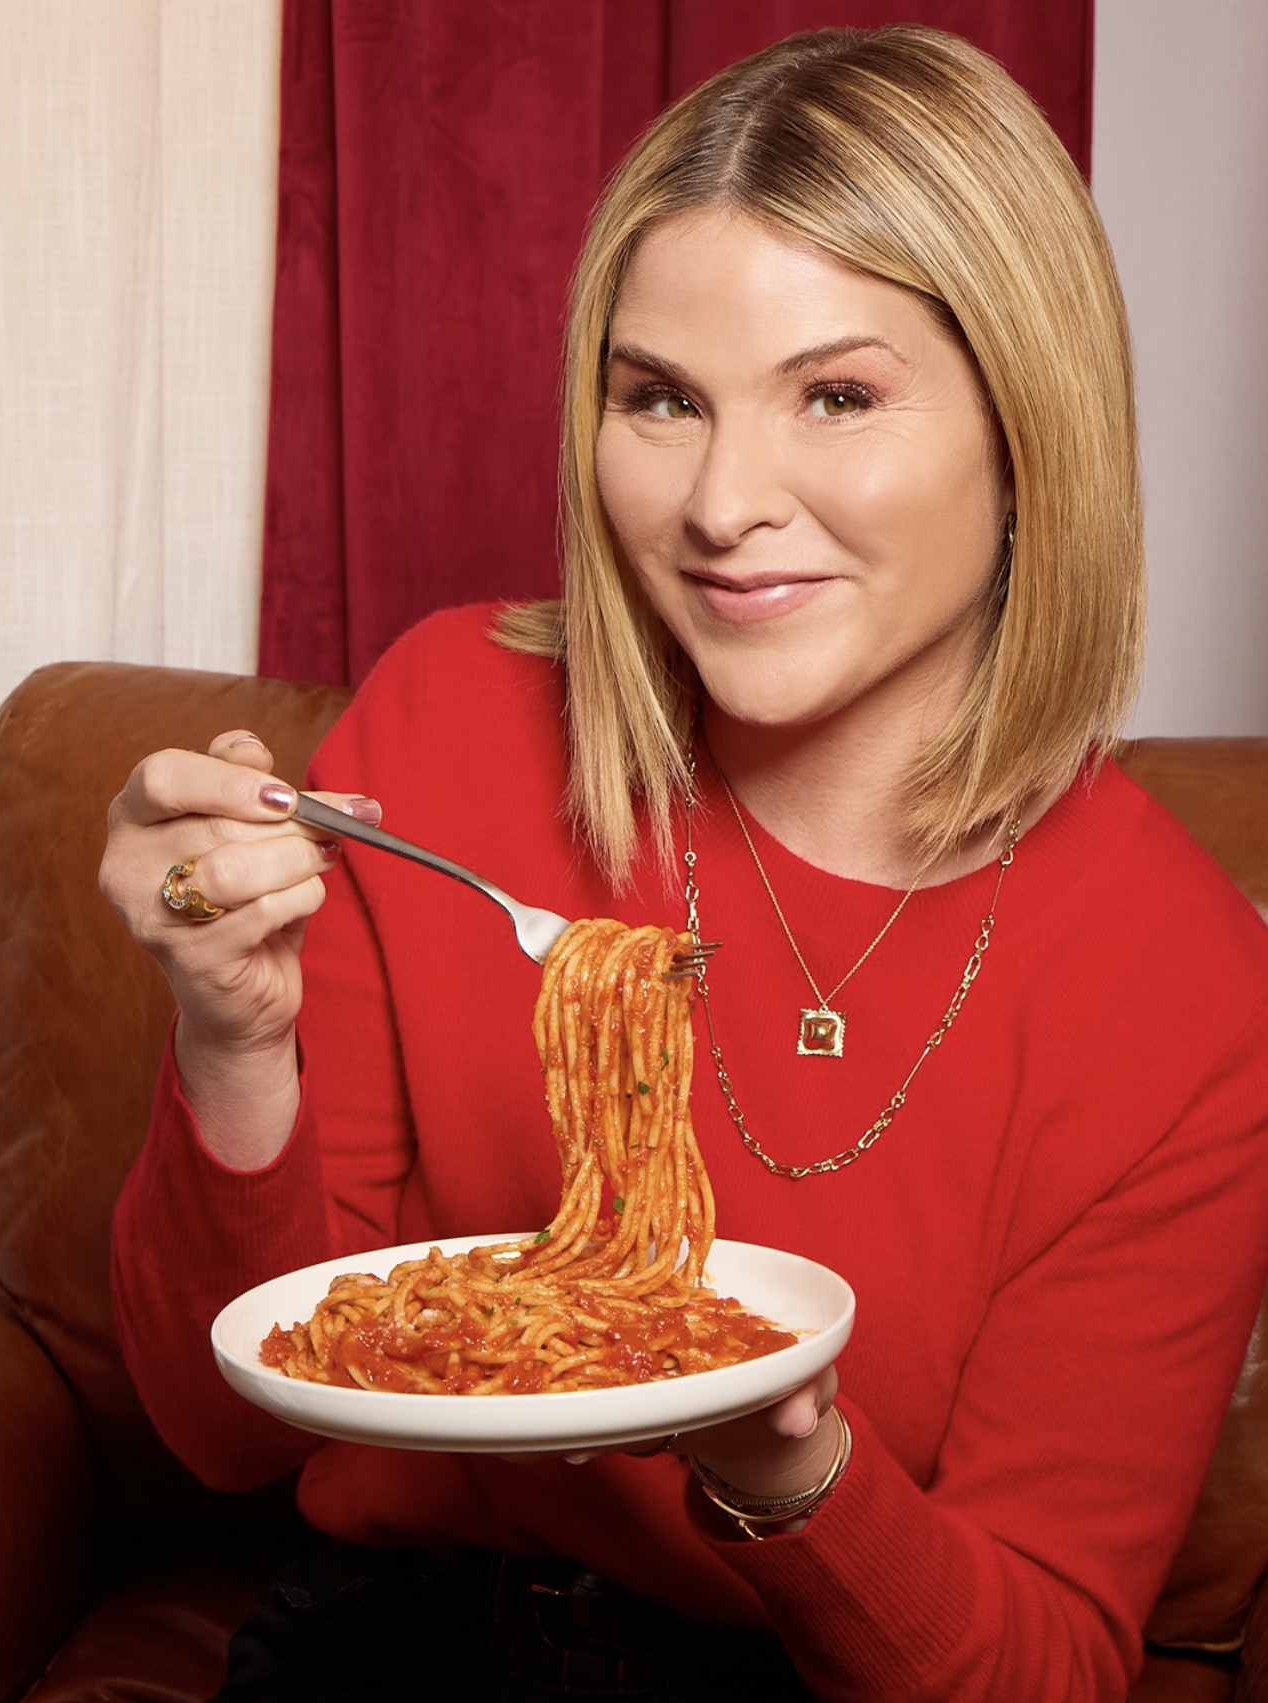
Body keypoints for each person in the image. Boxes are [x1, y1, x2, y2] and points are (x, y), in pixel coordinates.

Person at [101, 24, 1268, 1703]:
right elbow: (216, 1425)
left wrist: (786, 1455)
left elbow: (1036, 1663)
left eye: (838, 396)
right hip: (401, 1640)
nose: (723, 503)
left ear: (1029, 432)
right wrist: (229, 1040)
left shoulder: (1186, 991)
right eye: (660, 398)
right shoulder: (441, 725)